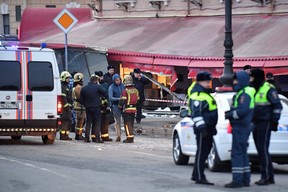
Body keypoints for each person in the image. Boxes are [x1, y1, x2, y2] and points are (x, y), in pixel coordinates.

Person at [250, 69, 283, 185]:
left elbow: (278, 106)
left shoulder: (268, 88)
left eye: (252, 77)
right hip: (256, 122)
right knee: (260, 150)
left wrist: (274, 121)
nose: (250, 80)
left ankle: (265, 177)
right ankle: (269, 177)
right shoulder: (255, 89)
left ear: (257, 77)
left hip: (265, 122)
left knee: (263, 150)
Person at [224, 71, 255, 188]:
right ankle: (245, 179)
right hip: (242, 126)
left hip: (241, 126)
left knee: (237, 153)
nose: (234, 83)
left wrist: (230, 115)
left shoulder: (244, 94)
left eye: (236, 80)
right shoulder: (243, 93)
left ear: (241, 80)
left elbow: (242, 111)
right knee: (242, 153)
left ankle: (237, 180)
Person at [189, 71, 218, 185]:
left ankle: (196, 174)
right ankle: (200, 177)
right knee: (202, 153)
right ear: (200, 82)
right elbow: (196, 114)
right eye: (207, 82)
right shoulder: (198, 95)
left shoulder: (204, 94)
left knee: (204, 152)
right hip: (203, 129)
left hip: (207, 128)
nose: (209, 84)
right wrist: (203, 128)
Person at [80, 75, 106, 143]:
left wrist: (85, 104)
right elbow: (104, 92)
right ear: (96, 81)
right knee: (97, 122)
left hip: (88, 107)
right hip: (96, 107)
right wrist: (99, 85)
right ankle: (97, 138)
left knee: (88, 122)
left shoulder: (84, 88)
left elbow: (81, 100)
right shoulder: (97, 87)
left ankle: (86, 138)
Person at [118, 75, 139, 143]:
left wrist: (120, 106)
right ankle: (131, 137)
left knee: (127, 124)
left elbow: (123, 100)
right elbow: (138, 99)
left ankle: (129, 138)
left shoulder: (125, 91)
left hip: (127, 110)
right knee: (131, 123)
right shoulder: (136, 90)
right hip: (134, 109)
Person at [95, 71, 113, 142]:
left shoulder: (105, 85)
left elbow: (107, 94)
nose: (100, 78)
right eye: (98, 77)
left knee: (105, 122)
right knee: (97, 122)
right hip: (96, 106)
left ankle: (105, 136)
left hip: (104, 106)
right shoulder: (93, 85)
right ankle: (96, 137)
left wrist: (108, 105)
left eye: (101, 76)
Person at [108, 74, 125, 142]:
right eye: (116, 80)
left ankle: (128, 135)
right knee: (118, 121)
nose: (118, 81)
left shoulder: (122, 86)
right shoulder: (111, 87)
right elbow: (110, 98)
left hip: (123, 105)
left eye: (119, 80)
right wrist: (119, 99)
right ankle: (118, 135)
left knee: (125, 120)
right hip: (116, 105)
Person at [60, 71, 73, 141]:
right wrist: (67, 106)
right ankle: (63, 135)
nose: (69, 80)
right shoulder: (63, 86)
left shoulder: (66, 86)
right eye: (68, 78)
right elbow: (63, 98)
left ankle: (66, 135)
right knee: (65, 121)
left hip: (68, 107)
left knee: (68, 121)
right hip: (65, 108)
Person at [72, 72, 85, 140]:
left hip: (79, 106)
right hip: (79, 107)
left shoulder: (76, 87)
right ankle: (78, 134)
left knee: (79, 121)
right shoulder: (78, 87)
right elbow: (82, 96)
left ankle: (78, 134)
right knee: (80, 121)